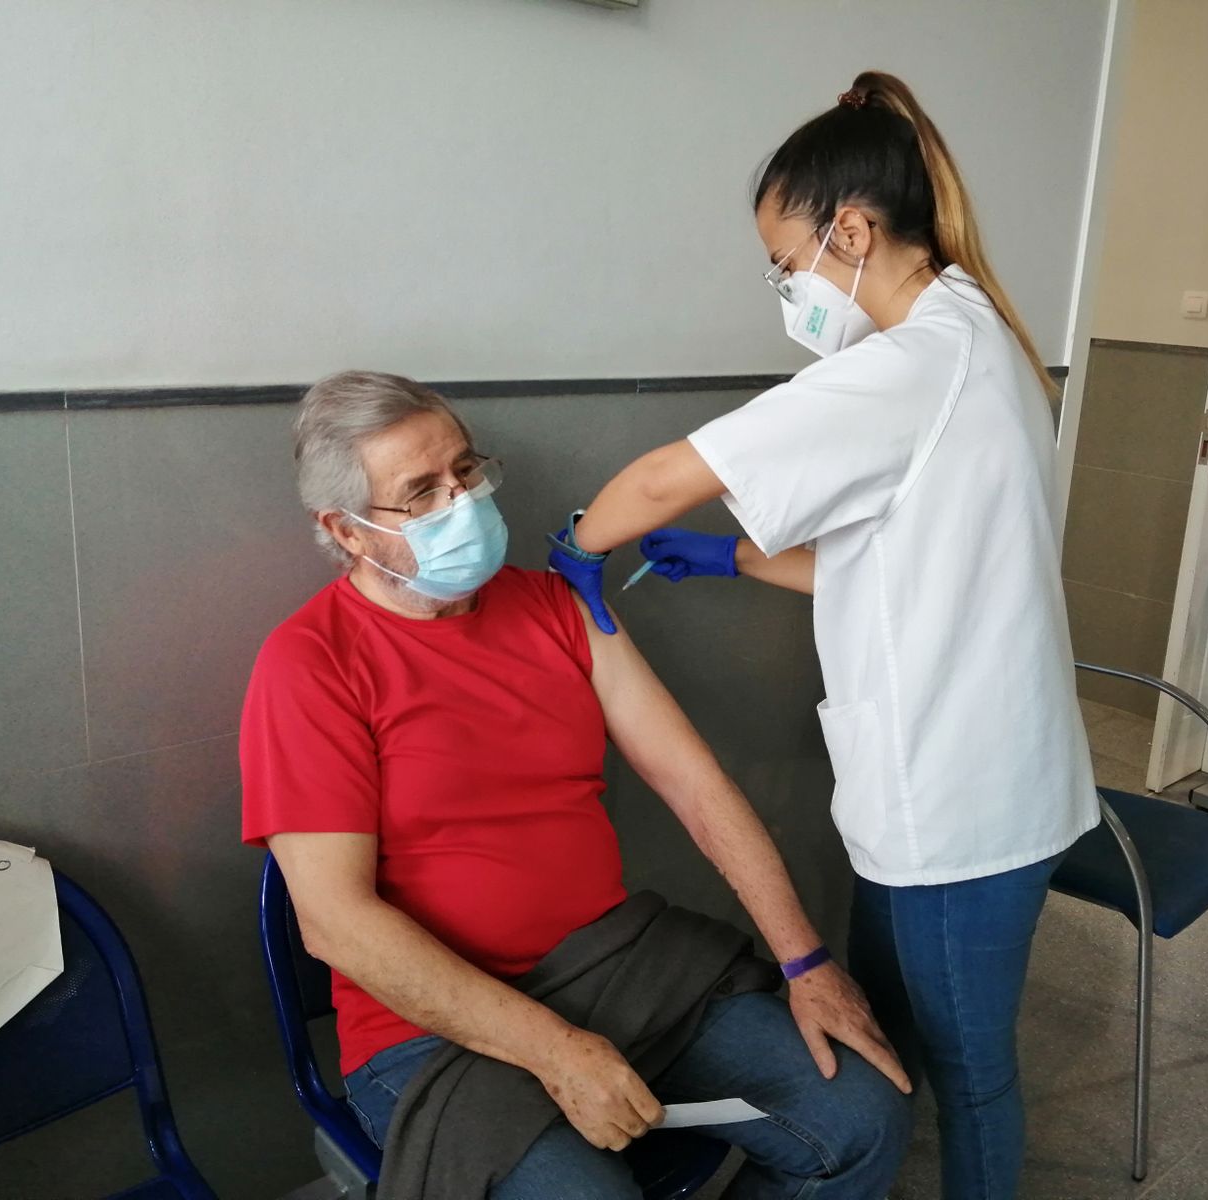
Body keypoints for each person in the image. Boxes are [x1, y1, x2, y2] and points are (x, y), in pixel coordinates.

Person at [546, 72, 1099, 1200]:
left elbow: (663, 477)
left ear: (851, 229)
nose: (790, 290)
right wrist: (737, 557)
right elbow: (905, 557)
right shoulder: (977, 336)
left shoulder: (905, 366)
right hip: (978, 778)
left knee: (969, 1074)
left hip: (964, 802)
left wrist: (574, 549)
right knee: (908, 1038)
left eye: (788, 264)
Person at [240, 370, 913, 1199]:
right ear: (345, 531)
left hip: (620, 968)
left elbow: (695, 784)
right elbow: (337, 924)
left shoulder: (556, 606)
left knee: (864, 1115)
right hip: (434, 1030)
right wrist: (554, 1048)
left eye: (465, 471)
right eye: (421, 494)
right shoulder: (311, 663)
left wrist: (807, 960)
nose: (463, 502)